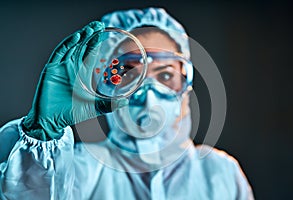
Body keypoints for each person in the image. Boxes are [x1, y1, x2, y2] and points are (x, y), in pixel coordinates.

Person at [0, 7, 254, 200]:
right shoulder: (78, 168)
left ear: (186, 85)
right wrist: (43, 134)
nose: (149, 91)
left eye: (165, 75)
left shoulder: (220, 173)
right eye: (129, 74)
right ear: (105, 86)